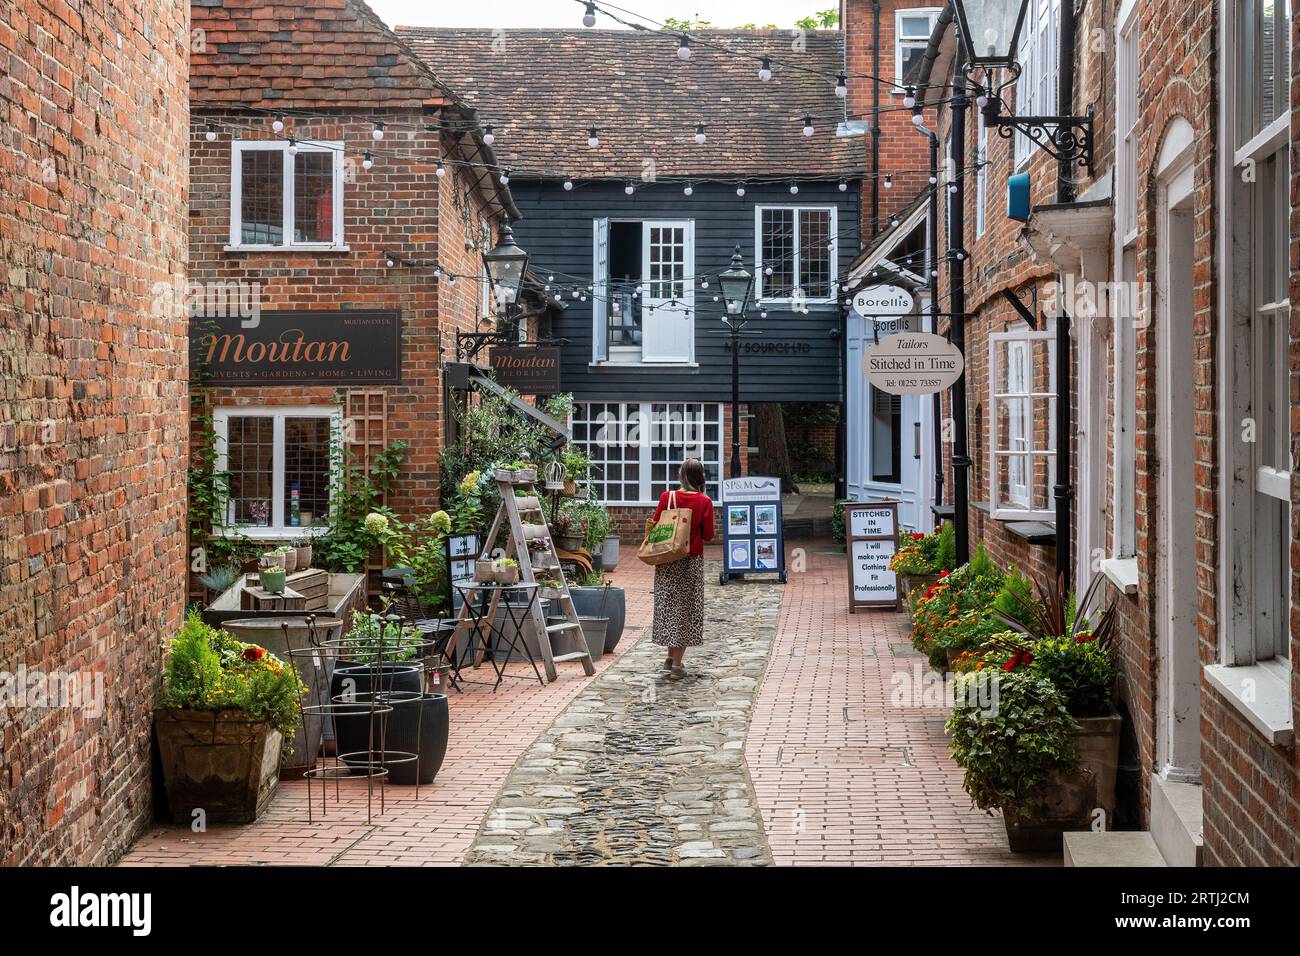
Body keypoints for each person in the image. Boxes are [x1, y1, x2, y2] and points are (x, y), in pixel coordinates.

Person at [650, 458, 715, 680]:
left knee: (669, 608)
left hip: (667, 560)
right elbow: (708, 535)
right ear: (701, 477)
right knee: (686, 611)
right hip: (690, 561)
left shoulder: (667, 497)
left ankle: (669, 659)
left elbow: (657, 523)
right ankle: (677, 665)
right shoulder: (704, 501)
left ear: (681, 475)